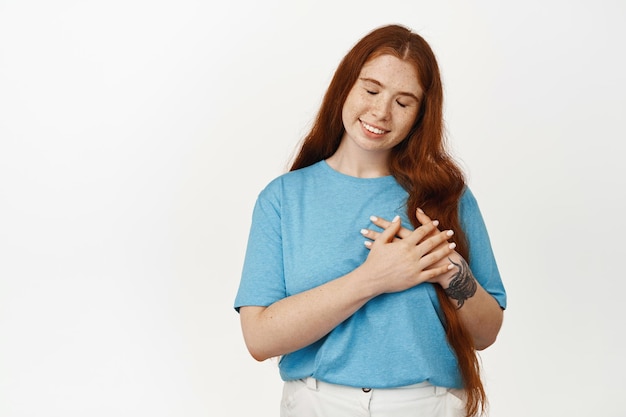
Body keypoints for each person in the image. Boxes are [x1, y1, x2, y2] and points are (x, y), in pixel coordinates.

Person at [234, 23, 506, 417]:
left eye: (404, 101)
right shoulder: (284, 198)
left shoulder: (447, 197)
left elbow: (486, 332)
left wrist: (450, 271)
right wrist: (374, 278)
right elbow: (259, 338)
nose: (381, 111)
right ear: (346, 85)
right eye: (372, 89)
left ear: (420, 114)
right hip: (317, 403)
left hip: (426, 405)